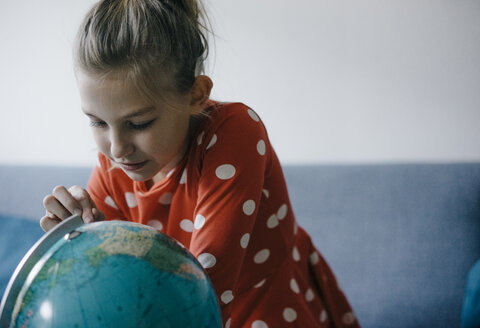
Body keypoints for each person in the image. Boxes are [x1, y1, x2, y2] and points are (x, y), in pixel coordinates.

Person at [40, 0, 360, 327]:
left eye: (139, 124)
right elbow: (120, 290)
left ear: (197, 94)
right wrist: (82, 243)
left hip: (264, 311)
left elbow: (203, 289)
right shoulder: (112, 170)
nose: (117, 149)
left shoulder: (235, 132)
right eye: (97, 123)